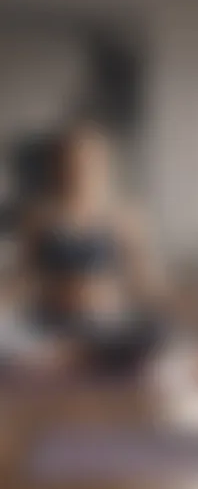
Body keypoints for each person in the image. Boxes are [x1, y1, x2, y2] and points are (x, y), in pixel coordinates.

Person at [13, 119, 167, 374]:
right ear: (59, 166)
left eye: (88, 159)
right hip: (52, 323)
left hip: (106, 325)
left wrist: (165, 296)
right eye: (71, 160)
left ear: (103, 164)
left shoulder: (125, 217)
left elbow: (144, 280)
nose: (79, 167)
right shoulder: (39, 217)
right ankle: (69, 354)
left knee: (158, 333)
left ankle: (76, 355)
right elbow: (24, 277)